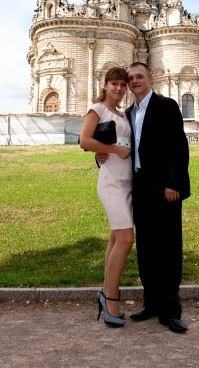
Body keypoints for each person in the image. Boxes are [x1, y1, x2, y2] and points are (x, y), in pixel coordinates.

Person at [99, 62, 191, 334]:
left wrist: (173, 183)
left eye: (139, 76)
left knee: (169, 248)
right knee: (147, 249)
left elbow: (178, 146)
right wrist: (101, 154)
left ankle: (171, 311)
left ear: (150, 79)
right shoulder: (128, 113)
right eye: (130, 78)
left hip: (164, 188)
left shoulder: (166, 106)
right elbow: (115, 145)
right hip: (138, 187)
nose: (134, 81)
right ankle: (151, 303)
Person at [79, 67, 133, 328]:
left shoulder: (123, 114)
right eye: (114, 84)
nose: (119, 88)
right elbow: (84, 140)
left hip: (127, 182)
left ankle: (105, 291)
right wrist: (112, 150)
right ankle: (111, 298)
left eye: (123, 84)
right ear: (106, 85)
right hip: (111, 183)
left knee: (115, 238)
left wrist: (106, 151)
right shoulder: (97, 109)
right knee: (126, 238)